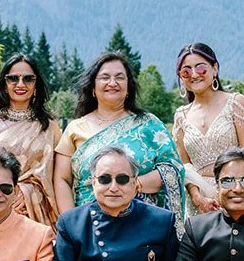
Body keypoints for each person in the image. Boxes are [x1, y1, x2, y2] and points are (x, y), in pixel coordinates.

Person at [53, 51, 184, 221]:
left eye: (120, 77)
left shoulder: (149, 125)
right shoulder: (75, 129)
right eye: (105, 77)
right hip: (90, 223)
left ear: (129, 87)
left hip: (142, 223)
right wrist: (72, 222)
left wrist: (131, 186)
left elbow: (173, 170)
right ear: (92, 87)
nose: (112, 83)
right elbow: (62, 179)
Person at [0, 52, 62, 227]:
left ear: (36, 84)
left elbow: (58, 174)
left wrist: (26, 194)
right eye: (13, 78)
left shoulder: (48, 124)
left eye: (28, 79)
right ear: (4, 82)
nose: (21, 84)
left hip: (37, 212)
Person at [171, 42, 244, 215]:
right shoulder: (181, 116)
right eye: (186, 71)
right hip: (199, 203)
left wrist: (229, 192)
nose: (194, 74)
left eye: (201, 68)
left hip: (237, 195)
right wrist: (197, 197)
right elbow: (185, 165)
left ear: (215, 68)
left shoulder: (235, 103)